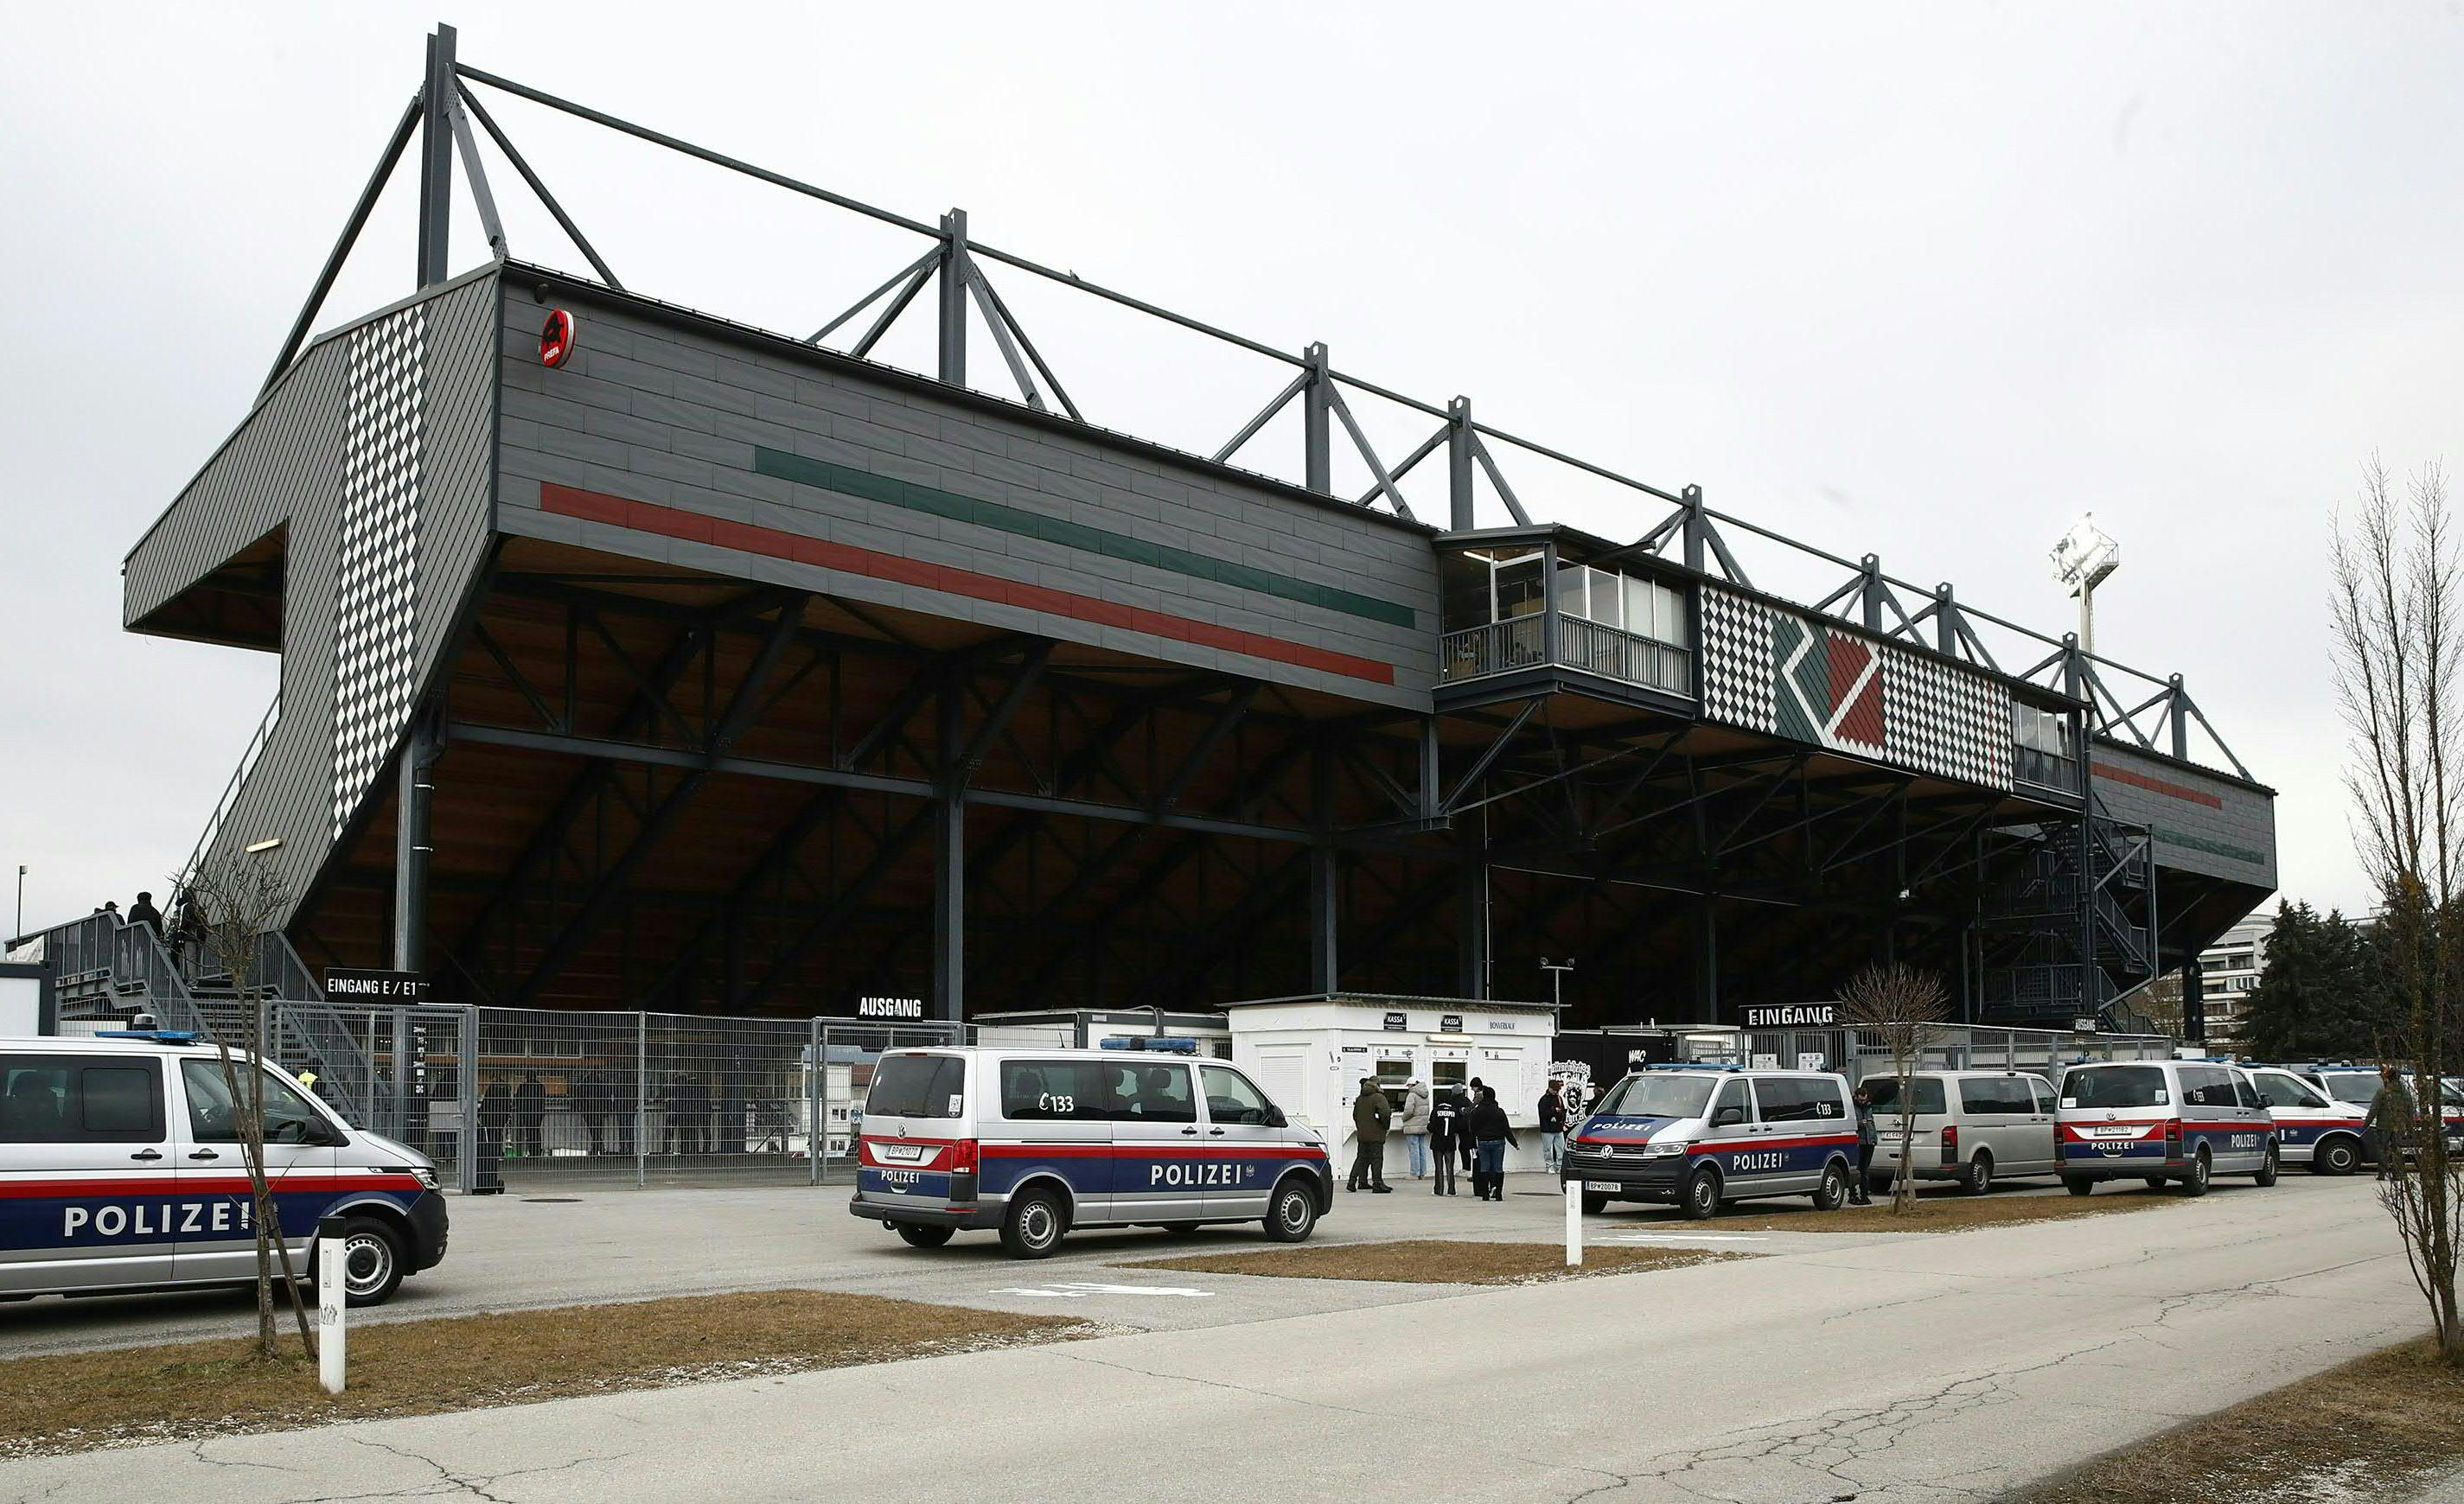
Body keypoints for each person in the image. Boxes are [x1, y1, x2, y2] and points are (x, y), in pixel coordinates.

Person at [1465, 1086, 1518, 1201]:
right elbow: (1506, 1129)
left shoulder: (1477, 1111)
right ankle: (1498, 1194)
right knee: (1498, 1167)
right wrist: (1514, 1143)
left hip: (1483, 1141)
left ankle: (1485, 1194)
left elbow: (1472, 1129)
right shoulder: (1499, 1111)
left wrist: (1472, 1144)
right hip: (1498, 1142)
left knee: (1484, 1167)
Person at [2366, 1063, 2416, 1180]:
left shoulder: (2383, 1091)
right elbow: (2410, 1110)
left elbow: (2374, 1109)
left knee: (2382, 1149)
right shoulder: (2405, 1092)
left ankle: (2382, 1173)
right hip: (2400, 1125)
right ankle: (2397, 1174)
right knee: (2397, 1149)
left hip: (2383, 1125)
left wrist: (2366, 1124)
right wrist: (2410, 1126)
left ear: (2388, 1077)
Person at [1348, 1077, 1394, 1193]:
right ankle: (1377, 1184)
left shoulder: (1360, 1098)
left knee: (1361, 1158)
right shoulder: (1379, 1097)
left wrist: (1361, 1127)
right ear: (1378, 1085)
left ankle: (1352, 1182)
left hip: (1362, 1134)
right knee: (1377, 1159)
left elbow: (1355, 1116)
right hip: (1376, 1134)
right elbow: (1385, 1114)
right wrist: (1385, 1127)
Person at [1427, 1085, 1462, 1196]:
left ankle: (1439, 1189)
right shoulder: (1454, 1111)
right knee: (1450, 1167)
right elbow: (1458, 1127)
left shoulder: (1436, 1111)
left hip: (1437, 1142)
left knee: (1439, 1167)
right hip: (1450, 1142)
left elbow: (1431, 1127)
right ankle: (1451, 1190)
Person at [1396, 1079, 1432, 1180]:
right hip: (1422, 1125)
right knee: (1422, 1149)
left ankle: (1414, 1173)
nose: (1408, 1088)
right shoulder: (1425, 1094)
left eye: (1408, 1086)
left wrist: (1403, 1118)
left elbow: (1408, 1111)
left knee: (1414, 1150)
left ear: (1412, 1085)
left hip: (1412, 1126)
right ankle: (1422, 1173)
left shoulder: (1412, 1095)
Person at [1850, 1085, 1877, 1206]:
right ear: (1856, 1097)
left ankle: (1865, 1195)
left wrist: (1873, 1139)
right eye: (1860, 1100)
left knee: (1865, 1170)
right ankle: (1853, 1195)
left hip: (1868, 1141)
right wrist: (1861, 1123)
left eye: (1864, 1099)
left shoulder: (1868, 1106)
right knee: (1856, 1170)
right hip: (1858, 1142)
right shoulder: (1851, 1107)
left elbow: (1871, 1123)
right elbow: (1850, 1122)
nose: (1863, 1102)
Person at [513, 1072, 547, 1158]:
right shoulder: (540, 1086)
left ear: (526, 1077)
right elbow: (543, 1100)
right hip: (538, 1113)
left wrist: (519, 1111)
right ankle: (537, 1152)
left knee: (529, 1132)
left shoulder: (523, 1087)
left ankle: (531, 1152)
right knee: (536, 1131)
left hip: (527, 1113)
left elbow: (517, 1100)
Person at [1538, 1080, 1568, 1175]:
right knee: (1548, 1149)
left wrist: (1561, 1117)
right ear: (1550, 1088)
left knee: (1561, 1148)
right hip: (1547, 1129)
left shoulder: (1559, 1098)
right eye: (1555, 1090)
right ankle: (1549, 1166)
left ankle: (1559, 1165)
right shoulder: (1543, 1100)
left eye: (1558, 1090)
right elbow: (1542, 1114)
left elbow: (1563, 1111)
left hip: (1558, 1128)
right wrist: (1553, 1112)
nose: (1556, 1092)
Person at [1460, 1077, 1486, 1174]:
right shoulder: (1483, 1093)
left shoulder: (1479, 1095)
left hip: (1477, 1126)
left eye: (1472, 1087)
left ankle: (1476, 1173)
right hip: (1483, 1125)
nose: (1471, 1089)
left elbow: (1473, 1106)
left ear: (1477, 1086)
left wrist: (1464, 1110)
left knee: (1475, 1151)